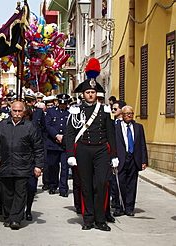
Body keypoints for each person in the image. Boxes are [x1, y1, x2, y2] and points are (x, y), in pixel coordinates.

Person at [66, 78, 118, 231]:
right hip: (83, 150)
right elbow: (70, 133)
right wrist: (70, 154)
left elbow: (111, 133)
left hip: (101, 150)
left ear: (97, 94)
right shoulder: (76, 110)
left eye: (93, 92)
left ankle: (100, 219)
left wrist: (114, 155)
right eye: (88, 92)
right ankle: (88, 219)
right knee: (86, 185)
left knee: (101, 184)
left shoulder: (104, 110)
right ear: (83, 94)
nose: (90, 95)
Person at [0, 101, 44, 230]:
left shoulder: (30, 127)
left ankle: (16, 219)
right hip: (5, 165)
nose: (17, 114)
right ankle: (8, 217)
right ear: (11, 111)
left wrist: (38, 165)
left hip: (23, 166)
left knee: (20, 194)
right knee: (6, 194)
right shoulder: (2, 125)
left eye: (20, 111)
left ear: (24, 112)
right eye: (15, 111)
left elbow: (38, 148)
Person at [113, 106, 148, 217]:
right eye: (127, 113)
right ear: (122, 115)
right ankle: (119, 207)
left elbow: (142, 144)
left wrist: (144, 160)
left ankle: (129, 208)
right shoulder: (116, 127)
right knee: (119, 183)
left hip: (134, 158)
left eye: (131, 113)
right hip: (121, 158)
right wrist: (112, 158)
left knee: (132, 184)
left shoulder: (138, 127)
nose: (129, 115)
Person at [45, 94, 70, 197]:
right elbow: (48, 125)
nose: (62, 105)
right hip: (53, 143)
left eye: (65, 103)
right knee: (53, 166)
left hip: (65, 144)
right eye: (61, 103)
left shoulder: (70, 113)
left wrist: (64, 137)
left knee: (65, 167)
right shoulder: (51, 111)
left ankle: (63, 188)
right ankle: (52, 185)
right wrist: (56, 135)